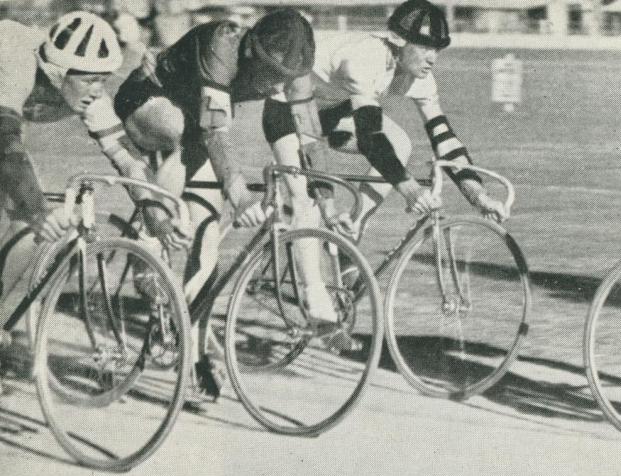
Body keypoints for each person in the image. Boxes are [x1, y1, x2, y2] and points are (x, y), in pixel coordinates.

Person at [261, 0, 507, 350]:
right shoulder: (367, 58)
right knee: (307, 199)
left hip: (328, 112)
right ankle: (318, 309)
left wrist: (477, 195)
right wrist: (409, 190)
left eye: (436, 49)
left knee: (402, 143)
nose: (432, 58)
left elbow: (444, 139)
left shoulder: (419, 76)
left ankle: (351, 232)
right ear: (397, 41)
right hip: (288, 109)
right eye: (423, 47)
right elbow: (370, 139)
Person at [114, 8, 327, 399]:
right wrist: (239, 191)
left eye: (283, 77)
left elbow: (300, 133)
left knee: (207, 235)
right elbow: (214, 130)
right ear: (251, 50)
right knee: (182, 132)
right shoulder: (222, 43)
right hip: (147, 101)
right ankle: (149, 225)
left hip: (195, 131)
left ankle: (190, 350)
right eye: (267, 71)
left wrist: (311, 188)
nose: (273, 84)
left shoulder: (293, 73)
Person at [0, 11, 182, 392]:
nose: (98, 90)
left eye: (103, 80)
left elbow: (126, 157)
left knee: (27, 224)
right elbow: (6, 147)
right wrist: (37, 209)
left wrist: (154, 211)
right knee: (27, 206)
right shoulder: (14, 64)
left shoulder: (86, 89)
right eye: (90, 80)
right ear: (56, 73)